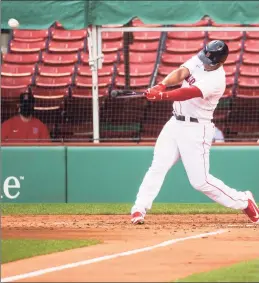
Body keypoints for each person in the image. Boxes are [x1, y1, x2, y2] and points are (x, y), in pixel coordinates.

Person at [131, 40, 259, 225]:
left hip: (197, 129)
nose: (205, 63)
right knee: (158, 166)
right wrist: (162, 85)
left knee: (200, 181)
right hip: (175, 122)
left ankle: (244, 201)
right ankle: (139, 208)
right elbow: (182, 72)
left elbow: (189, 92)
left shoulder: (217, 80)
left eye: (210, 61)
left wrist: (162, 96)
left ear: (220, 62)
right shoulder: (201, 58)